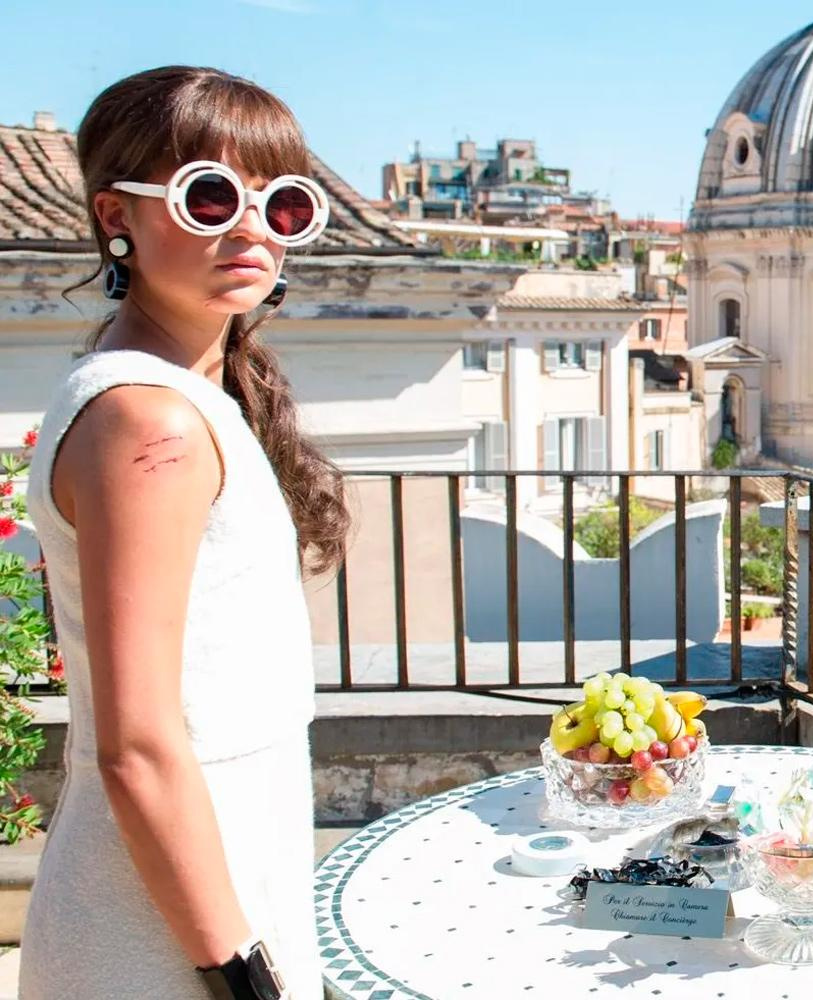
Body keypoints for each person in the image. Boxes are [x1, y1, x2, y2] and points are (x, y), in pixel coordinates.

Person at [21, 66, 348, 1000]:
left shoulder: (172, 396)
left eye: (282, 205)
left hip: (198, 894)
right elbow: (138, 745)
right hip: (166, 936)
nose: (251, 230)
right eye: (209, 197)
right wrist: (242, 975)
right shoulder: (147, 419)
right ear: (116, 215)